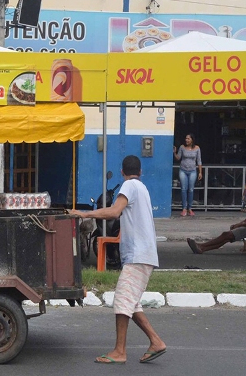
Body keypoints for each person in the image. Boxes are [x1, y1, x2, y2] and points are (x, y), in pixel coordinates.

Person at [70, 155, 166, 365]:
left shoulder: (130, 186)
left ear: (122, 173)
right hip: (143, 254)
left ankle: (120, 351)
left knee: (122, 300)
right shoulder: (142, 188)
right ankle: (155, 341)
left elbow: (114, 212)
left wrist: (84, 214)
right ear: (140, 172)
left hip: (138, 255)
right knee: (131, 302)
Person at [173, 133, 202, 217]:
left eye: (188, 138)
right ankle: (184, 208)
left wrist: (200, 172)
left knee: (191, 189)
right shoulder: (182, 147)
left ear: (192, 139)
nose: (186, 140)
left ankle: (190, 208)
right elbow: (178, 158)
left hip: (193, 170)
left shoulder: (197, 148)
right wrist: (175, 153)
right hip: (183, 170)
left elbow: (199, 161)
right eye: (186, 138)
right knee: (183, 189)